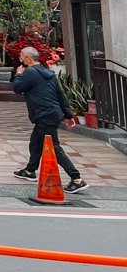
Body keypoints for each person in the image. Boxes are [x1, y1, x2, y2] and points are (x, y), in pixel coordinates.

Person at [12, 46, 89, 193]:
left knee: (54, 147)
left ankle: (77, 179)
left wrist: (18, 75)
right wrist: (68, 115)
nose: (20, 58)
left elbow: (17, 88)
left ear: (28, 58)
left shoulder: (30, 73)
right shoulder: (48, 73)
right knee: (36, 142)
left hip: (44, 115)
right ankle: (30, 170)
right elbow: (61, 95)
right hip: (51, 113)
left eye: (21, 55)